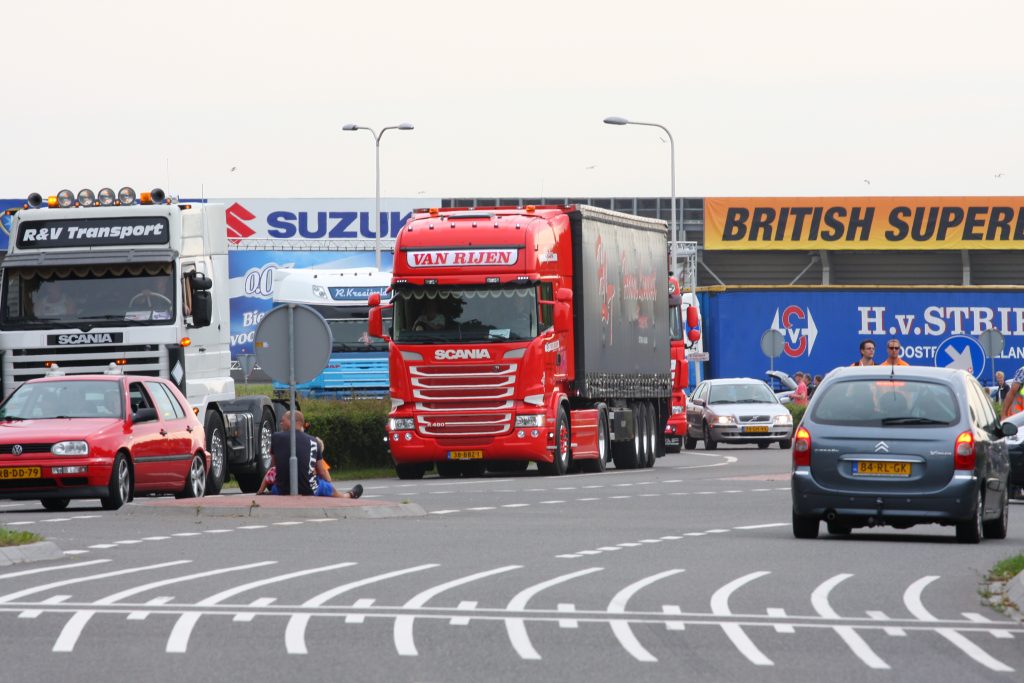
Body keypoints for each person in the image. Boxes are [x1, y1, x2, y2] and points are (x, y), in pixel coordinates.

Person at [259, 410, 363, 498]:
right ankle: (347, 496)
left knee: (274, 488)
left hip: (281, 489)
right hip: (308, 489)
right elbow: (322, 472)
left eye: (283, 421)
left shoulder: (276, 437)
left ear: (295, 421)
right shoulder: (314, 441)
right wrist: (327, 481)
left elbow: (274, 465)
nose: (281, 423)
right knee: (326, 486)